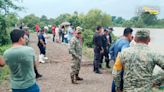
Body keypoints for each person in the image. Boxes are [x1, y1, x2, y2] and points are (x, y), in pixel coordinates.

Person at [111, 28, 133, 92]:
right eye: (131, 34)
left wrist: (114, 59)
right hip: (122, 65)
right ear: (129, 34)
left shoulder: (118, 40)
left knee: (115, 79)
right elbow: (124, 54)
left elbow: (111, 49)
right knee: (120, 81)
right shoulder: (126, 43)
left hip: (116, 63)